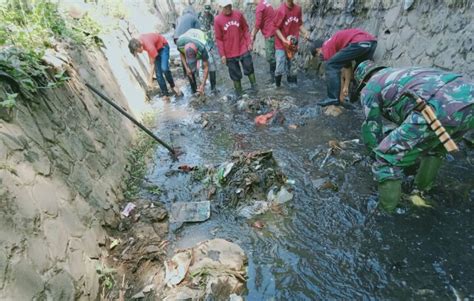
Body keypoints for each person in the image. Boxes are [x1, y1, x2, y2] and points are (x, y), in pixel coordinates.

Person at [355, 60, 474, 213]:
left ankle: (388, 214)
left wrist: (375, 155)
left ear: (363, 80)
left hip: (436, 106)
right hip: (467, 99)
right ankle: (420, 192)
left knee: (385, 158)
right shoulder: (404, 73)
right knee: (435, 148)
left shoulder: (370, 87)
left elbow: (371, 128)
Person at [310, 28, 377, 106]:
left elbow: (337, 73)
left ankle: (332, 98)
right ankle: (366, 100)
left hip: (358, 42)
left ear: (318, 49)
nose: (320, 57)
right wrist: (346, 86)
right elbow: (347, 67)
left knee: (330, 65)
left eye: (317, 55)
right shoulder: (336, 45)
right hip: (371, 42)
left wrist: (340, 98)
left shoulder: (326, 47)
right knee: (361, 73)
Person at [214, 0, 256, 97]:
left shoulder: (238, 14)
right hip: (229, 53)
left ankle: (255, 89)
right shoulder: (217, 20)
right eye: (226, 6)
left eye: (229, 5)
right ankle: (239, 95)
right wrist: (222, 54)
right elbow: (219, 39)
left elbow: (245, 29)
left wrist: (249, 42)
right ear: (221, 7)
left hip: (242, 48)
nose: (228, 8)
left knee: (249, 68)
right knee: (235, 75)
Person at [128, 33, 180, 99]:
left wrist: (150, 81)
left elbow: (152, 65)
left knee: (164, 69)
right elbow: (151, 58)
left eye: (137, 51)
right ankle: (165, 94)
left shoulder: (149, 46)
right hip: (155, 49)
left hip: (163, 47)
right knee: (158, 74)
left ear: (139, 47)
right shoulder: (138, 42)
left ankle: (173, 86)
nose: (138, 53)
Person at [273, 0, 310, 87]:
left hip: (292, 44)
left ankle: (292, 88)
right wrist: (283, 40)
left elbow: (299, 24)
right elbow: (275, 28)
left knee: (292, 66)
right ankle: (277, 87)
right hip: (281, 44)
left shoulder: (298, 9)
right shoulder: (281, 10)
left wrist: (305, 32)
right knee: (280, 66)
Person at [176, 28, 217, 95]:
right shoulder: (180, 43)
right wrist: (186, 68)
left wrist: (203, 85)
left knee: (211, 65)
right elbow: (181, 54)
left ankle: (213, 89)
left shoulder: (202, 48)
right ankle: (194, 90)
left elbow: (206, 68)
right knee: (190, 69)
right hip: (189, 35)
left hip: (202, 39)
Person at [251, 0, 276, 83]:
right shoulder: (266, 3)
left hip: (270, 33)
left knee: (270, 57)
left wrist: (253, 35)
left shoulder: (260, 7)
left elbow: (258, 24)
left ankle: (274, 78)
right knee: (274, 54)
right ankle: (275, 75)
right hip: (275, 31)